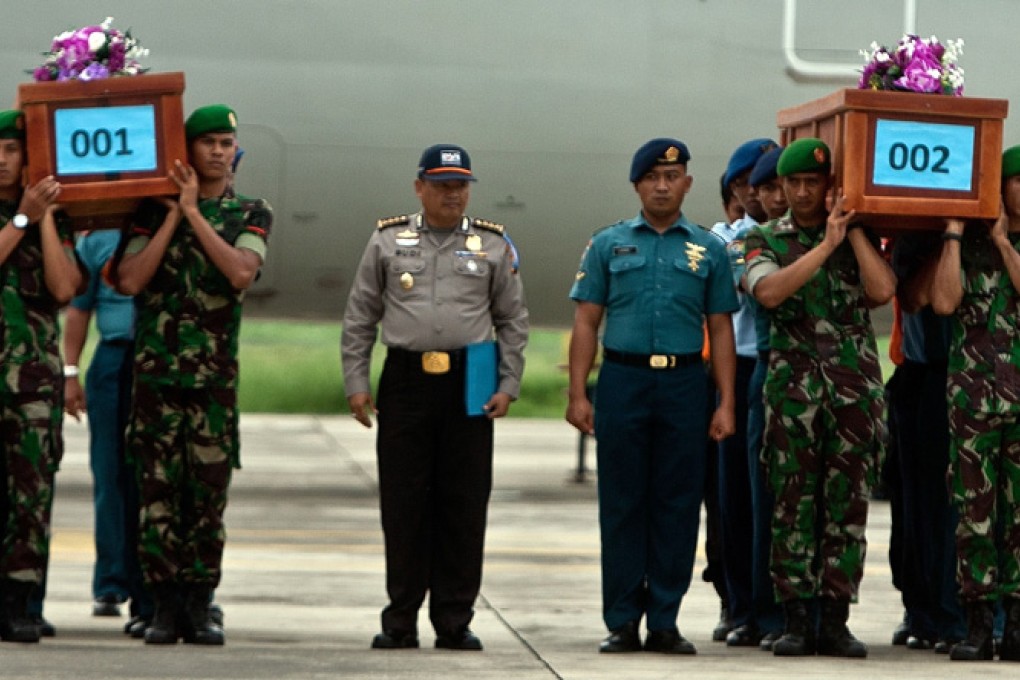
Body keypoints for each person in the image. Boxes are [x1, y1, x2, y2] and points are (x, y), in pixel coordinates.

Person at [341, 143, 528, 652]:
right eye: (442, 184)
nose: (453, 193)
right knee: (403, 505)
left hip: (469, 383)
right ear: (419, 186)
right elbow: (361, 315)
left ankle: (453, 619)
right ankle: (400, 618)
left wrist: (508, 384)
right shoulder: (386, 241)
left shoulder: (492, 245)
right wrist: (356, 383)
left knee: (463, 506)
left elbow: (512, 320)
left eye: (461, 184)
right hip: (406, 381)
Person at [566, 138, 738, 655]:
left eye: (673, 176)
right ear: (638, 184)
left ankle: (664, 618)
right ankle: (621, 620)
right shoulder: (607, 244)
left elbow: (721, 329)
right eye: (653, 178)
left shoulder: (708, 249)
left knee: (677, 504)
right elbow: (586, 320)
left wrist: (726, 401)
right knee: (621, 503)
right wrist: (578, 393)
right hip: (623, 381)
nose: (662, 185)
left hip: (685, 384)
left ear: (687, 183)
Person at [114, 104, 272, 646]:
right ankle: (162, 606)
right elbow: (131, 281)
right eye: (207, 143)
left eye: (226, 143)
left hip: (211, 386)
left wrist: (196, 215)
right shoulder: (147, 214)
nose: (218, 152)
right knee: (157, 498)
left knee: (206, 501)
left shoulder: (252, 211)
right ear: (188, 151)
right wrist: (173, 216)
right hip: (156, 384)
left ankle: (200, 605)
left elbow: (241, 272)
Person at [744, 138, 895, 658]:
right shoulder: (763, 239)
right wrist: (824, 247)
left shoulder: (857, 237)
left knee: (847, 507)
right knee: (793, 506)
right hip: (794, 394)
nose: (804, 193)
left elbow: (881, 292)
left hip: (854, 393)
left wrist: (849, 234)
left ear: (828, 187)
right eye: (795, 184)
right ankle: (794, 618)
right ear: (780, 188)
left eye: (814, 183)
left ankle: (835, 617)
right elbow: (768, 292)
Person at [929, 145, 1020, 662]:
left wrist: (1007, 245)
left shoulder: (1004, 248)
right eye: (1016, 181)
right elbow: (943, 302)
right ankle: (979, 622)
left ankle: (1017, 624)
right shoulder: (971, 249)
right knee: (976, 515)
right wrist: (957, 235)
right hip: (974, 401)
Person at [0, 109, 81, 642]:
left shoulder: (57, 217)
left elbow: (64, 288)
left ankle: (22, 600)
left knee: (30, 495)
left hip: (31, 384)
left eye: (11, 151)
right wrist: (21, 220)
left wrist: (45, 215)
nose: (2, 161)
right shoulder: (16, 219)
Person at [63, 228, 153, 636]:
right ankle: (111, 583)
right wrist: (69, 373)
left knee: (157, 478)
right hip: (114, 358)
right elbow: (79, 309)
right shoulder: (98, 240)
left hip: (160, 358)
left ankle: (158, 586)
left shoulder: (168, 228)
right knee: (110, 473)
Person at [712, 138, 778, 648]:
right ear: (740, 189)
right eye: (762, 185)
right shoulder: (727, 240)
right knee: (732, 497)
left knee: (774, 498)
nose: (772, 194)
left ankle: (771, 603)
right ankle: (738, 603)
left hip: (785, 365)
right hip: (737, 369)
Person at [734, 145, 788, 652]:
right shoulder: (755, 240)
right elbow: (765, 293)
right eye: (764, 187)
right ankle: (762, 611)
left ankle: (818, 612)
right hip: (770, 375)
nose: (772, 196)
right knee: (762, 503)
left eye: (780, 186)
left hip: (831, 379)